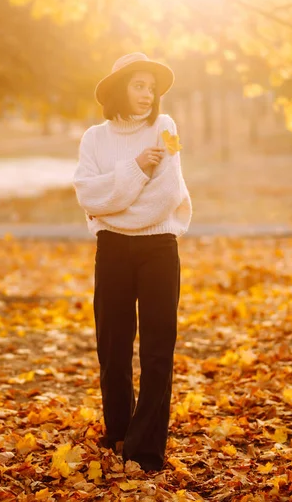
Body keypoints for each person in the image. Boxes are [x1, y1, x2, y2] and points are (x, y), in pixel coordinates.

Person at [72, 52, 192, 473]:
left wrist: (115, 206)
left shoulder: (166, 129)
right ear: (120, 88)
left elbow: (167, 194)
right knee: (113, 347)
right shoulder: (94, 138)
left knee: (158, 349)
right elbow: (87, 195)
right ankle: (119, 433)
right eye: (139, 85)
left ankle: (145, 448)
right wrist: (137, 168)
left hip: (159, 248)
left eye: (152, 87)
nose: (148, 94)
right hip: (112, 252)